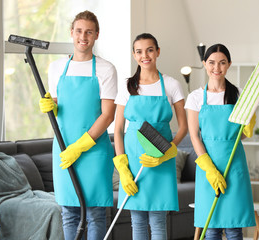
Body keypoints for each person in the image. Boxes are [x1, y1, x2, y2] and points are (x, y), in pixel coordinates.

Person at [39, 10, 117, 240]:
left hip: (93, 150)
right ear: (71, 33)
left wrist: (81, 146)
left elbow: (107, 115)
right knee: (69, 212)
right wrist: (49, 107)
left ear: (96, 35)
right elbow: (57, 106)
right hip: (63, 147)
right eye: (79, 31)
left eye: (89, 32)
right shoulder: (56, 68)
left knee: (94, 213)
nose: (83, 36)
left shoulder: (106, 69)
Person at [113, 33, 188, 239]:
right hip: (135, 159)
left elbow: (184, 127)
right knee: (137, 220)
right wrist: (122, 166)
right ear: (133, 55)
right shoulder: (128, 86)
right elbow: (118, 129)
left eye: (149, 50)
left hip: (161, 159)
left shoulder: (171, 84)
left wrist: (167, 152)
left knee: (158, 219)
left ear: (158, 52)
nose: (144, 55)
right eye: (139, 51)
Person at [185, 44, 256, 240]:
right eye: (212, 63)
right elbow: (194, 136)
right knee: (211, 227)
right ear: (204, 64)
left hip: (234, 164)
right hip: (208, 166)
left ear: (229, 64)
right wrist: (209, 168)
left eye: (222, 63)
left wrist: (248, 128)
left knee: (234, 227)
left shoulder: (239, 95)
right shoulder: (196, 97)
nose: (217, 67)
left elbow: (240, 135)